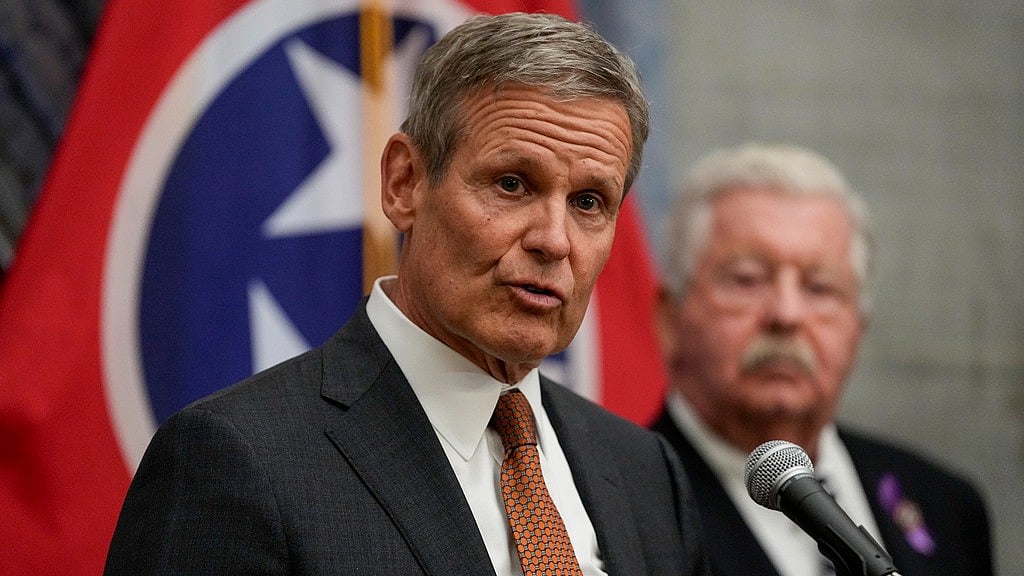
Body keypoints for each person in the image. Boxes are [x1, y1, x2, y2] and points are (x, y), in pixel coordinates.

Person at [104, 13, 710, 576]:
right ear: (404, 184)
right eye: (511, 183)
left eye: (588, 202)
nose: (555, 241)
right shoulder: (236, 460)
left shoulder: (644, 472)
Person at [650, 142, 994, 576]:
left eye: (820, 288)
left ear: (859, 325)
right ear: (669, 319)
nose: (786, 315)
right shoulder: (620, 506)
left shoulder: (945, 505)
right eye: (748, 280)